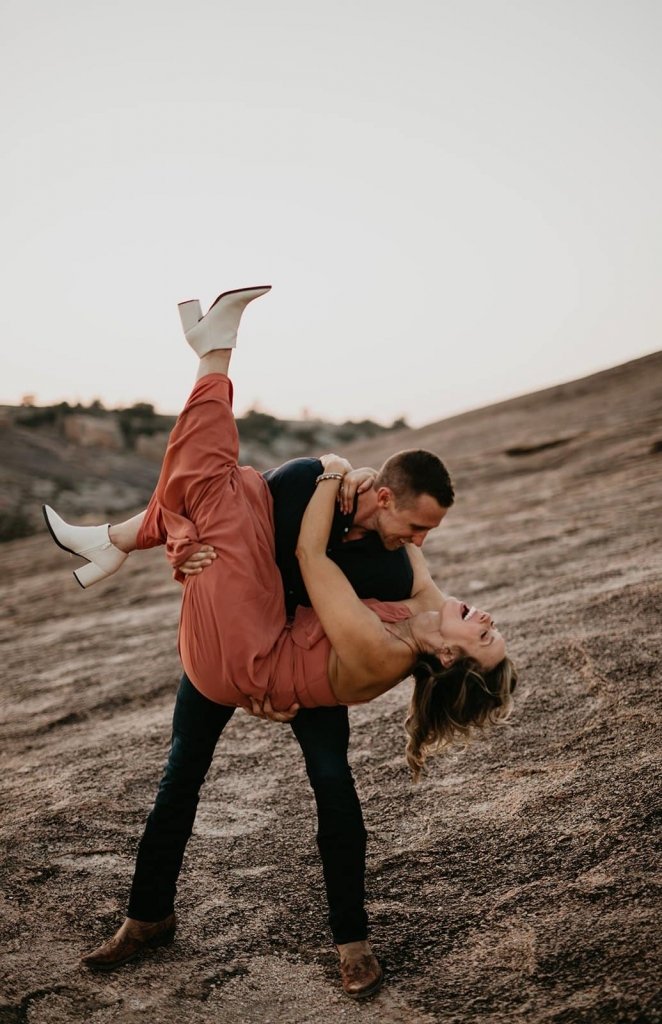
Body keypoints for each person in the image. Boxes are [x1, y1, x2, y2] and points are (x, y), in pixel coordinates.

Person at [43, 285, 516, 999]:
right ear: (386, 495)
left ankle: (351, 940)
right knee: (180, 775)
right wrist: (179, 539)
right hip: (240, 613)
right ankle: (146, 916)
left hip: (291, 655)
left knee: (333, 786)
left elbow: (314, 561)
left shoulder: (388, 566)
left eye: (424, 537)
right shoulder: (316, 500)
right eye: (415, 527)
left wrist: (329, 467)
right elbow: (214, 508)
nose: (418, 545)